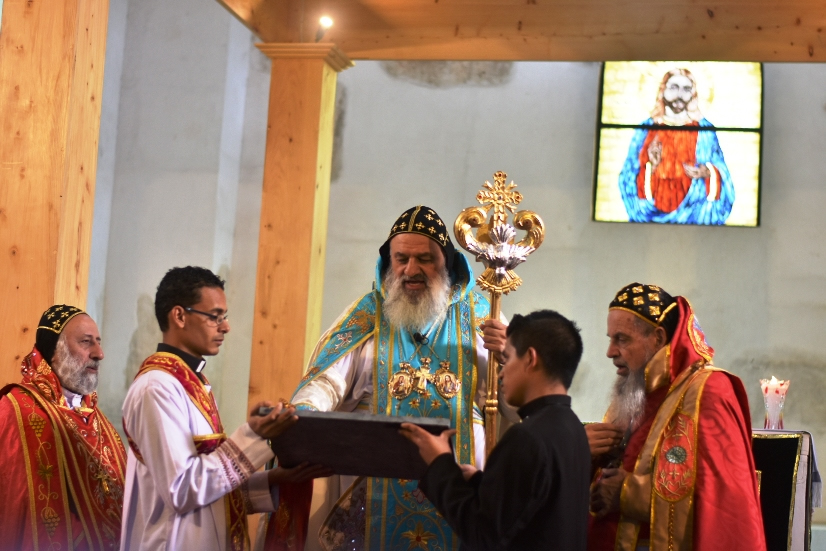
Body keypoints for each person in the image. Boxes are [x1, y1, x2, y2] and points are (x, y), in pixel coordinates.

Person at [263, 205, 507, 551]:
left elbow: (512, 400)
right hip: (374, 494)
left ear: (448, 263)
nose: (411, 270)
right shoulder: (367, 316)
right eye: (401, 259)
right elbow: (328, 382)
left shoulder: (482, 316)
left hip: (459, 485)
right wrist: (305, 412)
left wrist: (508, 357)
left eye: (425, 259)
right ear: (387, 262)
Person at [121, 266, 325, 551]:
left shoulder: (192, 382)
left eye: (224, 317)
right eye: (214, 316)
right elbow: (182, 490)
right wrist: (251, 436)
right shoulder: (156, 388)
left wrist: (272, 480)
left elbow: (208, 489)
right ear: (179, 316)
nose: (225, 327)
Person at [587, 283, 765, 550]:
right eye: (610, 339)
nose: (610, 352)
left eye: (622, 339)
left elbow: (721, 502)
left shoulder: (709, 390)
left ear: (658, 338)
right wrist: (584, 454)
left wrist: (627, 494)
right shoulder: (633, 394)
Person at [401, 309, 591, 550]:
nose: (501, 373)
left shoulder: (526, 437)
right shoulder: (573, 428)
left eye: (507, 358)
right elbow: (536, 507)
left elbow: (482, 536)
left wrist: (440, 463)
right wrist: (478, 482)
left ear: (530, 359)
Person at [0, 305, 126, 550]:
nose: (99, 353)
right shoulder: (15, 410)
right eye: (86, 342)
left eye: (98, 342)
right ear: (55, 352)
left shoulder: (97, 418)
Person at [618, 68, 735, 224]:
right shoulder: (646, 129)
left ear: (693, 94)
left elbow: (721, 170)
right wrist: (650, 166)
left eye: (686, 89)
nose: (680, 94)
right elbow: (628, 174)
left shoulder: (704, 130)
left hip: (695, 212)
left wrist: (708, 172)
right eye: (674, 87)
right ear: (662, 90)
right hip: (650, 212)